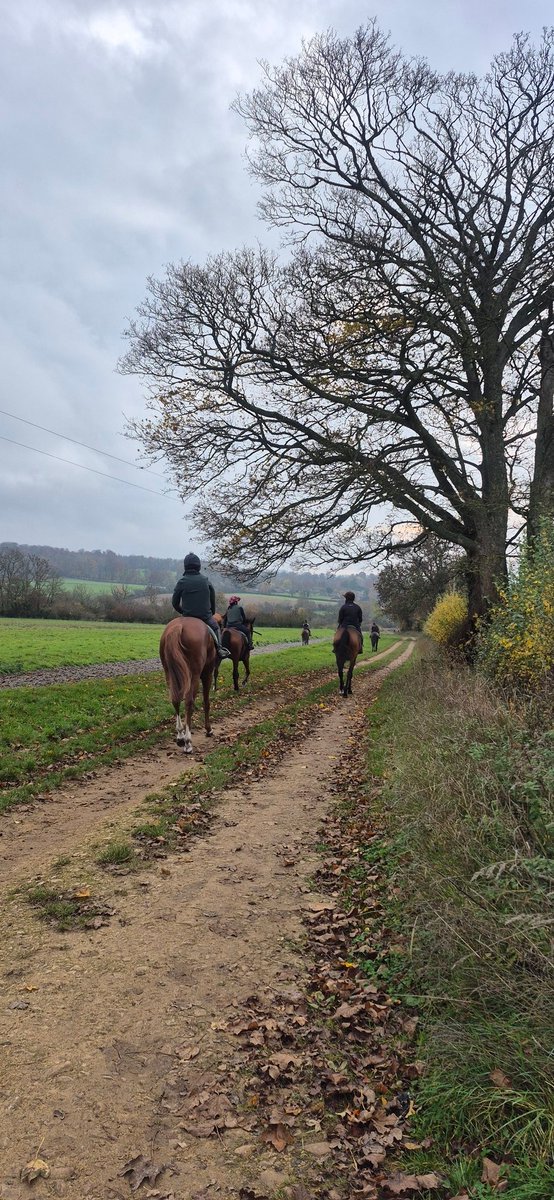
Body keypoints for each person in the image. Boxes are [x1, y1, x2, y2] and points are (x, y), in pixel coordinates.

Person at [172, 553, 231, 659]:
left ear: (185, 566)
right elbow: (212, 601)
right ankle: (220, 649)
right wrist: (211, 612)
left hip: (187, 616)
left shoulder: (181, 582)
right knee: (216, 627)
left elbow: (175, 603)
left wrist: (183, 612)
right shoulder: (206, 581)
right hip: (205, 617)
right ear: (198, 566)